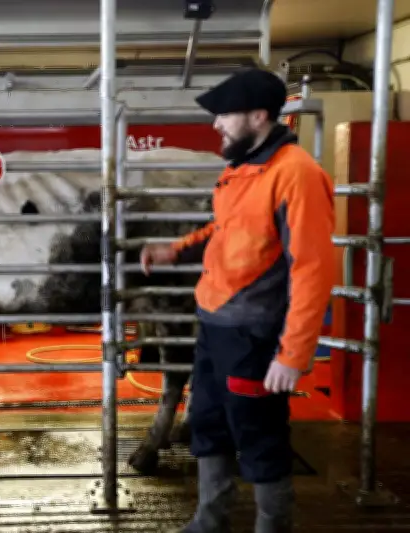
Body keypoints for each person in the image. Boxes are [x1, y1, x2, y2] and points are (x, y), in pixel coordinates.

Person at [141, 68, 335, 533]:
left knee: (260, 437)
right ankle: (210, 520)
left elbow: (313, 269)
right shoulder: (242, 169)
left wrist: (293, 355)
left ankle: (272, 527)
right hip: (213, 326)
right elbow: (226, 229)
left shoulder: (297, 176)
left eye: (224, 115)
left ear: (258, 115)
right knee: (208, 424)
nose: (216, 125)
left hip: (255, 335)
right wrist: (179, 249)